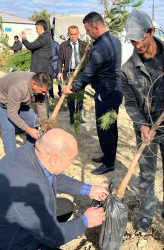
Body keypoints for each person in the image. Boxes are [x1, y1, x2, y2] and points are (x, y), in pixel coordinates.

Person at [0, 128, 108, 249]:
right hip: (3, 244)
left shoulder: (31, 151)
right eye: (72, 159)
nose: (73, 161)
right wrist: (85, 221)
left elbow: (54, 176)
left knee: (64, 206)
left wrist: (89, 189)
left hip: (14, 223)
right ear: (54, 160)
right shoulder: (26, 190)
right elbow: (54, 237)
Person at [120, 11, 164, 234]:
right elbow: (130, 103)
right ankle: (147, 213)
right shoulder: (127, 69)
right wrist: (141, 124)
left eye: (141, 38)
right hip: (146, 131)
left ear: (152, 32)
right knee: (147, 174)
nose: (137, 44)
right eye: (132, 39)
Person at [63, 12, 122, 175]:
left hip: (106, 93)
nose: (87, 33)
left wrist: (72, 88)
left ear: (96, 27)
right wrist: (91, 49)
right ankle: (109, 156)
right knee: (111, 128)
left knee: (104, 129)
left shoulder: (100, 48)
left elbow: (89, 74)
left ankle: (109, 163)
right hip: (115, 91)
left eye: (88, 30)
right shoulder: (114, 40)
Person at [0, 71, 52, 154]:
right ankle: (12, 156)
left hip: (18, 100)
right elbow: (12, 114)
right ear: (34, 83)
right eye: (42, 91)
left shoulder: (40, 82)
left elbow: (41, 104)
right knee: (9, 128)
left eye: (45, 92)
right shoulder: (18, 87)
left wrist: (44, 122)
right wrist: (29, 130)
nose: (44, 94)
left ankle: (30, 149)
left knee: (33, 121)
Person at [21, 19, 53, 117]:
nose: (36, 30)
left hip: (41, 70)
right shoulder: (46, 37)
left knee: (42, 94)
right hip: (41, 69)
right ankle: (44, 116)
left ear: (41, 28)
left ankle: (45, 117)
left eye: (36, 29)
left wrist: (24, 39)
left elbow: (31, 46)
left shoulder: (43, 37)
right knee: (41, 94)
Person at [58, 25, 87, 124]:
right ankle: (72, 117)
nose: (73, 36)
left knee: (80, 95)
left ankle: (79, 116)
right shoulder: (63, 45)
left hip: (80, 73)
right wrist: (59, 71)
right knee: (70, 96)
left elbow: (88, 59)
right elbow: (60, 60)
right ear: (68, 34)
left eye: (75, 34)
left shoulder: (84, 45)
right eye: (71, 34)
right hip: (68, 72)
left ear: (78, 34)